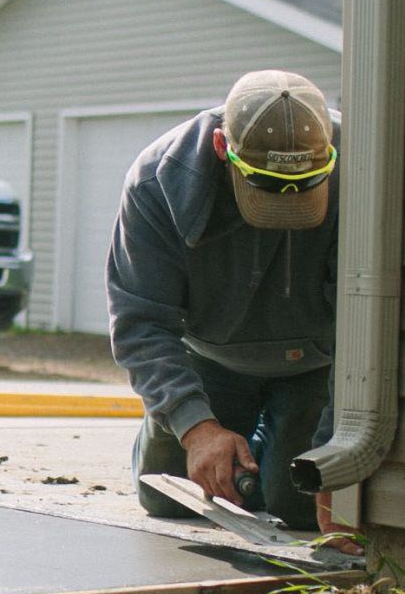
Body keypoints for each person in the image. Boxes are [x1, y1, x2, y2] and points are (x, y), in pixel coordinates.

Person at [106, 70, 338, 531]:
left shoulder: (368, 165)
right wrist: (196, 428)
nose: (287, 208)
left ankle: (270, 453)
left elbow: (373, 321)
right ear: (220, 147)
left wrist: (340, 452)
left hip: (317, 361)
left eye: (306, 186)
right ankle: (215, 433)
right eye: (265, 187)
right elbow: (141, 322)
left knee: (299, 505)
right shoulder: (157, 182)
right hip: (211, 358)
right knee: (171, 496)